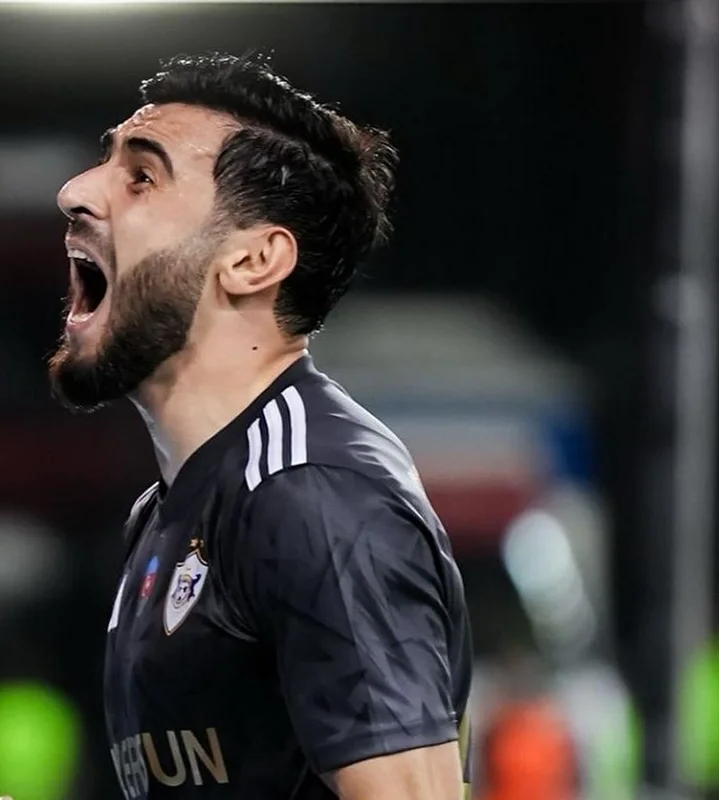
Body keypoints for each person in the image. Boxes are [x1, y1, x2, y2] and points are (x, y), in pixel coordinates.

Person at [47, 52, 473, 800]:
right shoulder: (169, 512)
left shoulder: (313, 495)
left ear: (252, 260)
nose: (75, 191)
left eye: (141, 176)